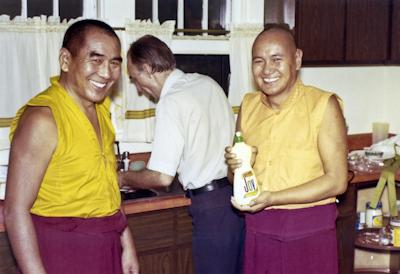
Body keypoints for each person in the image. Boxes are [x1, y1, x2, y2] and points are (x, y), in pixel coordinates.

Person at [4, 19, 139, 274]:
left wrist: (126, 243)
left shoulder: (101, 111)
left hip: (106, 244)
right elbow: (15, 210)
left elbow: (106, 183)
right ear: (65, 60)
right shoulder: (43, 118)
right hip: (61, 250)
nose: (106, 73)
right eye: (96, 60)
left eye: (114, 63)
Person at [225, 25, 348, 274]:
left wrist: (272, 198)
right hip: (259, 228)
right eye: (258, 61)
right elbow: (234, 177)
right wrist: (236, 166)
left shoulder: (323, 105)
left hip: (310, 229)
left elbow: (337, 182)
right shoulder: (248, 106)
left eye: (276, 59)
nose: (267, 69)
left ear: (297, 59)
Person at [119, 35, 244, 274]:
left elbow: (161, 177)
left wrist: (123, 178)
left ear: (148, 69)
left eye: (135, 79)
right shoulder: (207, 83)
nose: (138, 88)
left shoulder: (170, 102)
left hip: (210, 207)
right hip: (234, 197)